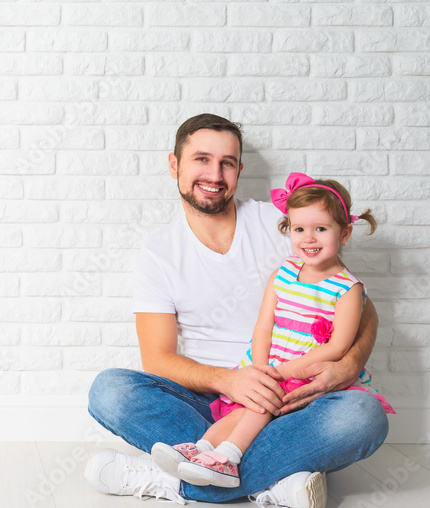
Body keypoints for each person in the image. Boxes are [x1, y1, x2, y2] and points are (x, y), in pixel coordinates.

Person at [83, 113, 390, 508]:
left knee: (363, 416)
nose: (214, 173)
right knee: (110, 390)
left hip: (293, 394)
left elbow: (361, 306)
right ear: (174, 165)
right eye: (201, 159)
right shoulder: (159, 255)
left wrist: (348, 366)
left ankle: (175, 478)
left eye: (227, 162)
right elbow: (157, 361)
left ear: (240, 170)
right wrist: (231, 380)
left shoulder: (281, 225)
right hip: (210, 398)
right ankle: (275, 481)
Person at [150, 173, 395, 490]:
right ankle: (203, 449)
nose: (309, 238)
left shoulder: (348, 288)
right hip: (265, 364)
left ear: (345, 233)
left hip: (305, 371)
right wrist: (259, 368)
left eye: (321, 229)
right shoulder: (285, 271)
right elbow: (264, 325)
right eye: (299, 229)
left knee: (270, 405)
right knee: (247, 403)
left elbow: (337, 347)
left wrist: (282, 372)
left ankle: (229, 457)